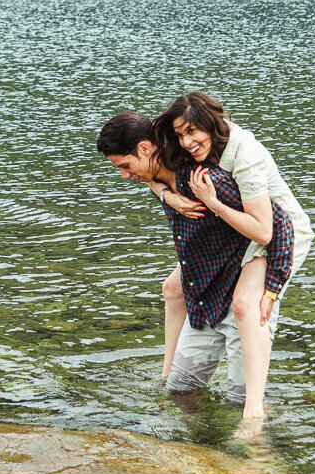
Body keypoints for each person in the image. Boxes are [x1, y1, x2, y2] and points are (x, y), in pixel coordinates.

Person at [96, 112, 293, 423]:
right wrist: (165, 195)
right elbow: (155, 178)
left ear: (146, 149)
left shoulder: (204, 180)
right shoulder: (160, 174)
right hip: (208, 287)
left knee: (240, 399)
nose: (124, 175)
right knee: (179, 390)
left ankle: (256, 431)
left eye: (125, 166)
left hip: (253, 263)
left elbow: (278, 225)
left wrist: (272, 288)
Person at [151, 91, 314, 418]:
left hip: (279, 235)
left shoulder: (245, 154)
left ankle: (253, 410)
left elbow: (265, 231)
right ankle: (176, 374)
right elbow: (151, 174)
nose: (186, 142)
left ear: (212, 125)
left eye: (192, 132)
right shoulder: (197, 151)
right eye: (180, 135)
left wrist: (213, 204)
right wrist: (168, 196)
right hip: (238, 231)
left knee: (244, 303)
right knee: (174, 286)